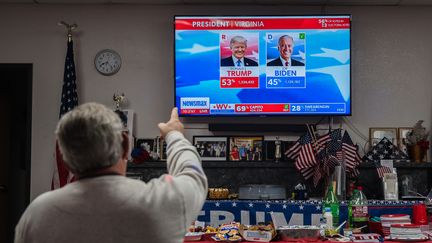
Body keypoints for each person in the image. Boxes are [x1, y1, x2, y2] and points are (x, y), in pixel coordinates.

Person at [14, 103, 208, 243]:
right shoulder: (159, 202)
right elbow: (192, 175)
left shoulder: (37, 214)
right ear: (125, 145)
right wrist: (174, 135)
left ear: (66, 160)